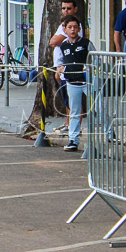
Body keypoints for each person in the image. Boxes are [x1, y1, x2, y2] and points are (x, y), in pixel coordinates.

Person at [54, 15, 93, 151]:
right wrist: (61, 69)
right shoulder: (64, 45)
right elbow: (62, 61)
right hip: (72, 82)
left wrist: (90, 68)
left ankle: (110, 133)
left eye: (75, 27)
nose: (72, 30)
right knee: (75, 111)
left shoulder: (86, 43)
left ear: (79, 29)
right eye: (70, 27)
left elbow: (95, 58)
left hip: (87, 81)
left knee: (98, 107)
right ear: (65, 29)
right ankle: (73, 139)